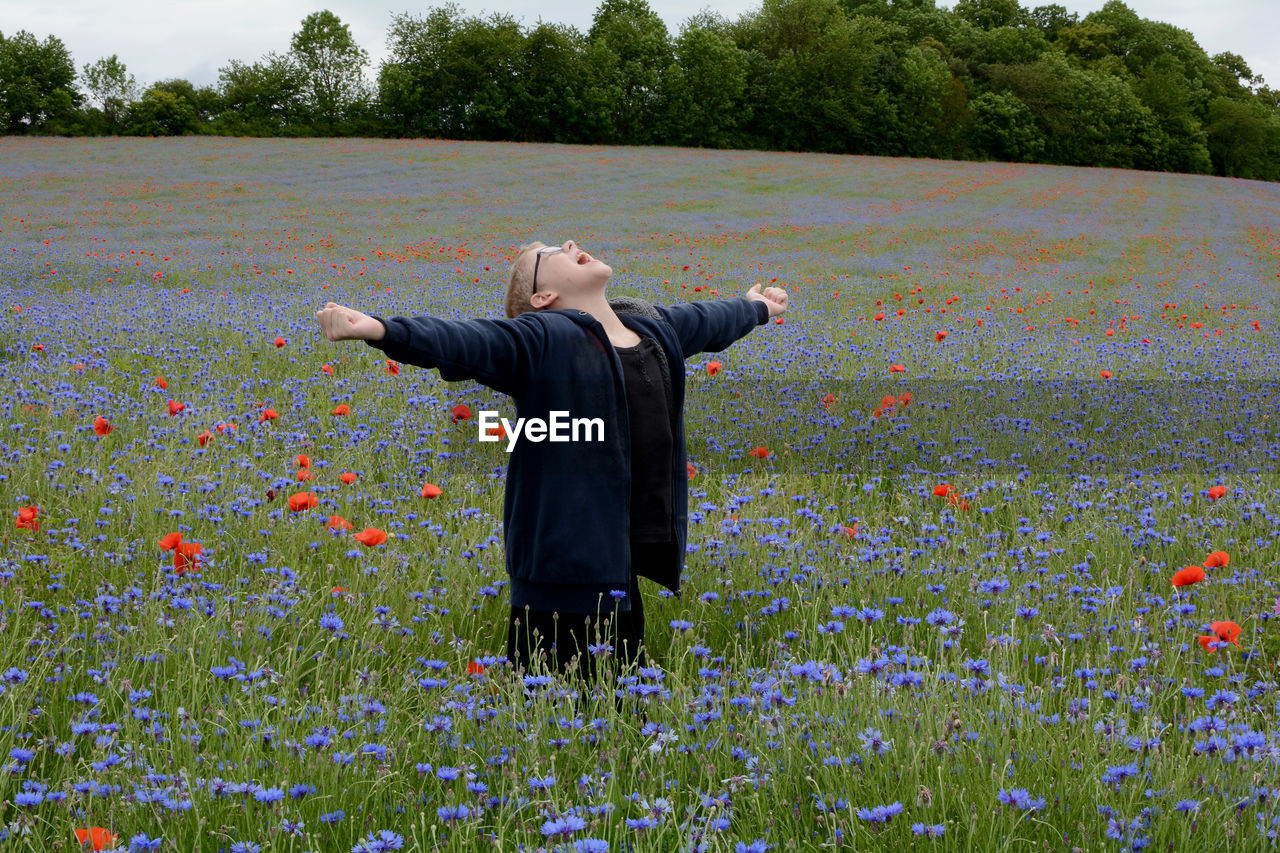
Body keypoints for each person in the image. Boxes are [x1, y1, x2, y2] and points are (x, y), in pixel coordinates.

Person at [315, 239, 788, 706]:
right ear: (543, 299)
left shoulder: (652, 327)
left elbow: (708, 321)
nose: (570, 243)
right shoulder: (542, 338)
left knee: (619, 720)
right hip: (558, 578)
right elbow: (468, 341)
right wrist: (381, 329)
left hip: (618, 566)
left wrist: (755, 309)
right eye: (549, 255)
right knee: (552, 722)